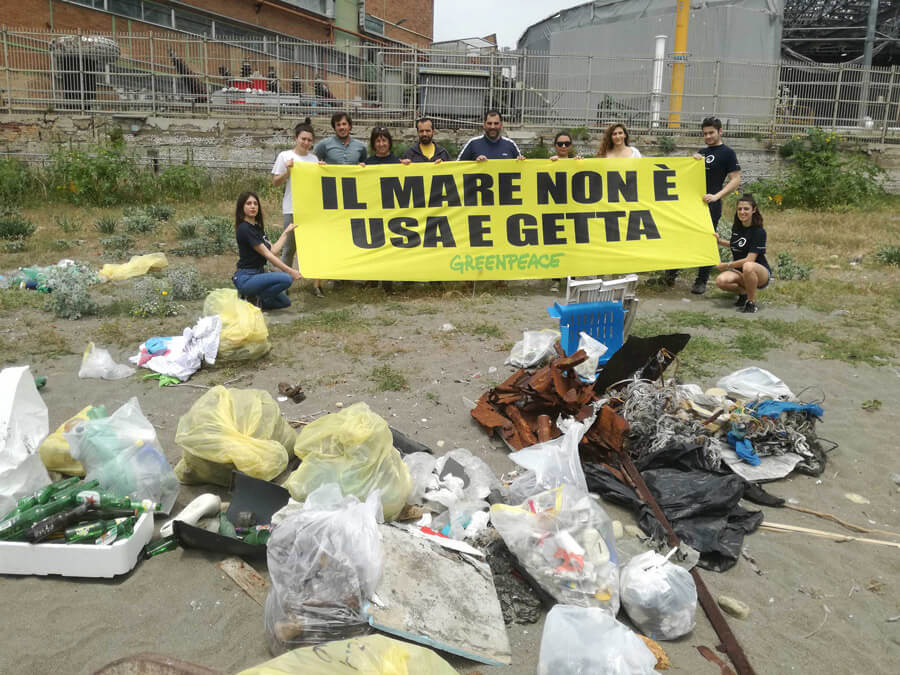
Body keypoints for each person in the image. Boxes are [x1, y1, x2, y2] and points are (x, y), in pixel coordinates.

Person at [667, 116, 742, 294]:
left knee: (708, 240)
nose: (708, 136)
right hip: (692, 205)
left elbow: (736, 179)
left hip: (711, 204)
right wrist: (692, 162)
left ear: (720, 132)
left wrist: (717, 196)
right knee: (682, 237)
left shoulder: (728, 153)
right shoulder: (702, 152)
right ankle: (670, 275)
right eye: (705, 133)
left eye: (711, 133)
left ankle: (701, 280)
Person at [272, 117, 323, 297]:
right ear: (296, 138)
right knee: (289, 249)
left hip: (311, 210)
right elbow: (276, 182)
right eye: (303, 139)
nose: (306, 142)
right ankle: (283, 286)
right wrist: (288, 171)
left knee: (314, 247)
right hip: (292, 209)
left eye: (309, 140)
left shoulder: (314, 159)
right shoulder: (285, 156)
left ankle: (316, 285)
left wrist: (323, 171)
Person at [232, 192, 302, 310]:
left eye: (255, 203)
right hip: (246, 278)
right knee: (287, 279)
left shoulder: (257, 228)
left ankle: (252, 301)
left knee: (284, 302)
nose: (253, 206)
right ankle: (250, 298)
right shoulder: (244, 228)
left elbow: (273, 250)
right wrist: (290, 271)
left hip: (258, 275)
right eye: (248, 203)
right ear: (242, 207)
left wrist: (286, 232)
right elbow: (268, 255)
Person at [713, 194, 769, 314]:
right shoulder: (737, 228)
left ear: (754, 210)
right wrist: (719, 241)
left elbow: (750, 259)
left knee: (748, 266)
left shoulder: (759, 232)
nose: (742, 212)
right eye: (739, 209)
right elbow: (737, 244)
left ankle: (751, 302)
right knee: (720, 281)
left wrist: (727, 265)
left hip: (759, 272)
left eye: (746, 209)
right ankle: (743, 293)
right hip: (740, 271)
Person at [457, 109, 525, 161]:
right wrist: (475, 164)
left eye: (496, 123)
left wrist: (521, 162)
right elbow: (457, 167)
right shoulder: (473, 144)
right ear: (484, 125)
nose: (492, 127)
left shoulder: (510, 144)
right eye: (489, 123)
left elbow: (522, 171)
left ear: (501, 125)